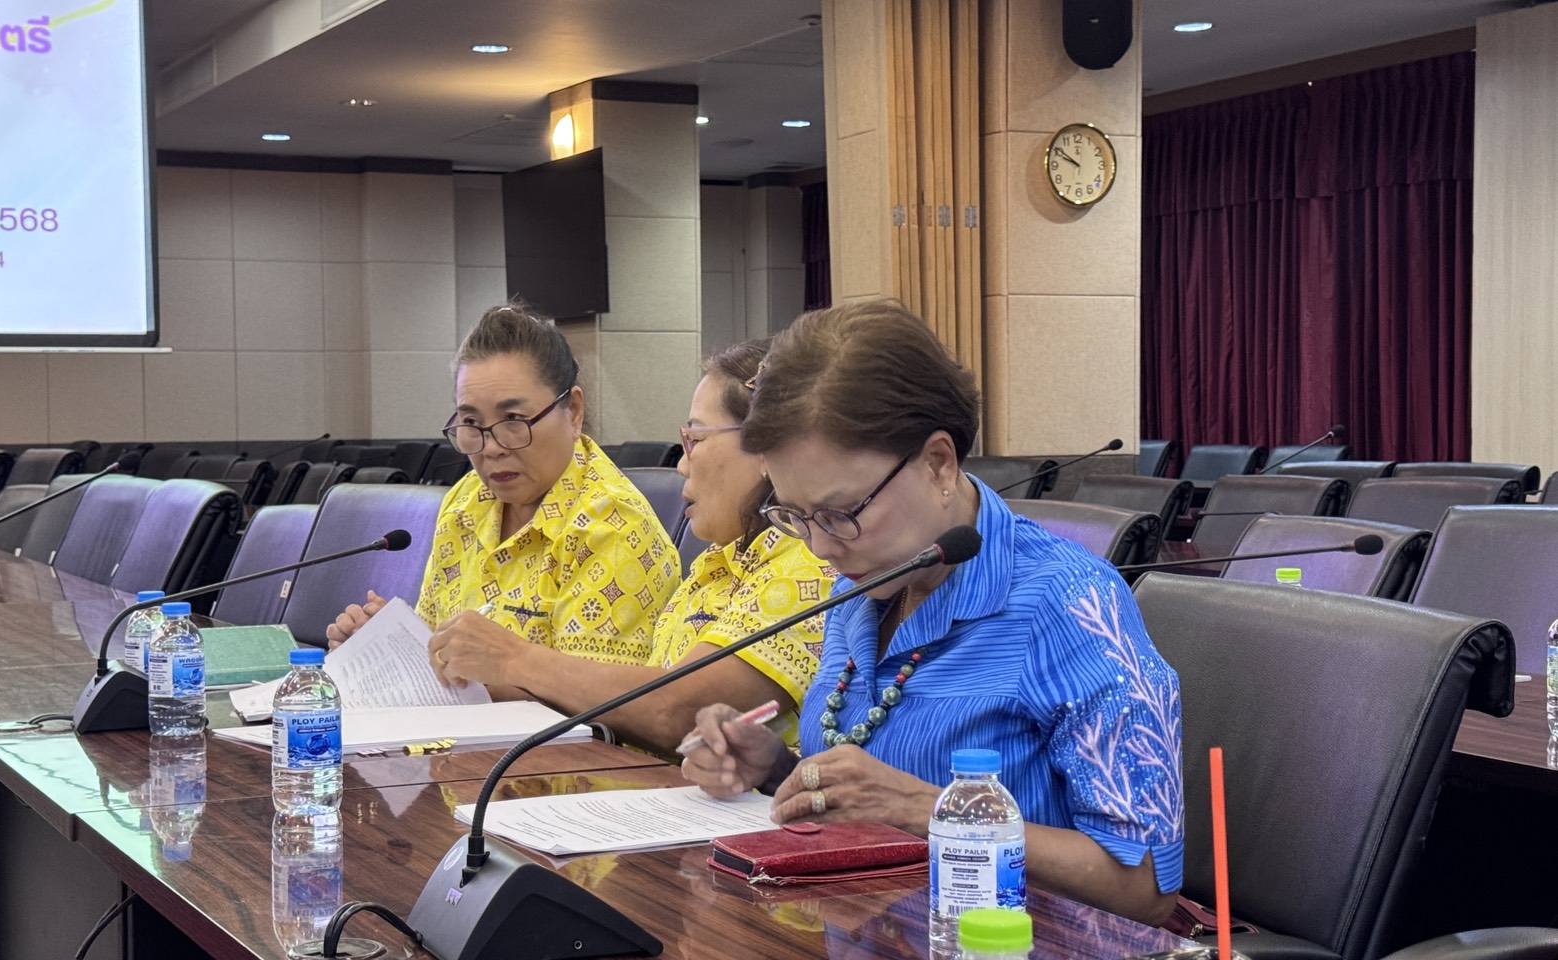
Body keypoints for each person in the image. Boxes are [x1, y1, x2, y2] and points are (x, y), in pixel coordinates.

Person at [679, 301, 1183, 927]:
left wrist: (924, 807)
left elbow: (1144, 886)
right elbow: (869, 787)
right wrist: (777, 768)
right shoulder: (865, 583)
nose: (822, 547)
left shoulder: (1069, 605)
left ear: (939, 462)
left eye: (839, 512)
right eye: (794, 515)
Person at [425, 339, 834, 755]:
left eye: (695, 439)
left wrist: (513, 659)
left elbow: (678, 710)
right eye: (471, 425)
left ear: (766, 445)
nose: (681, 464)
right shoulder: (720, 559)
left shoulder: (811, 561)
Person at [326, 304, 681, 689]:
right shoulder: (466, 502)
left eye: (513, 421)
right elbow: (437, 648)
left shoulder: (612, 526)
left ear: (573, 411)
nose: (491, 447)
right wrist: (386, 649)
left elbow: (591, 710)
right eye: (472, 424)